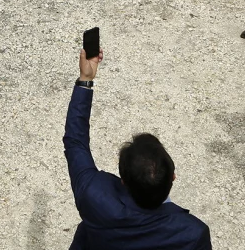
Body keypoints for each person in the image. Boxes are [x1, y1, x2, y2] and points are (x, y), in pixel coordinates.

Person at [65, 45, 212, 248]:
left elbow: (75, 142)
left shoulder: (94, 196)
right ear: (173, 177)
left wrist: (85, 79)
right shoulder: (192, 232)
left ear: (123, 181)